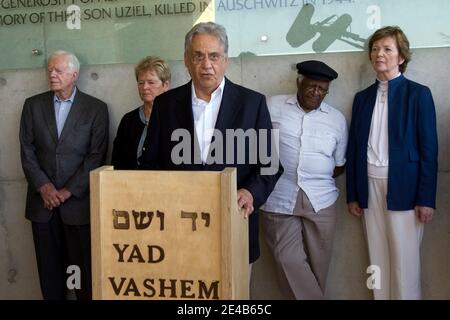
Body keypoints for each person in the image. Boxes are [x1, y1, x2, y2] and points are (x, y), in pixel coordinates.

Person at [140, 22, 282, 266]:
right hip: (178, 230)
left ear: (225, 59)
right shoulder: (165, 105)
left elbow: (270, 166)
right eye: (198, 56)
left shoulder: (253, 103)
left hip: (235, 226)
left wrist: (250, 192)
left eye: (214, 56)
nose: (207, 65)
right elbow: (149, 163)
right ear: (186, 60)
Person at [346, 26, 438, 300]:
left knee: (404, 260)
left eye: (387, 49)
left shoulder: (418, 94)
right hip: (368, 188)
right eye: (375, 49)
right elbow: (353, 150)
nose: (379, 54)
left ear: (401, 57)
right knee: (376, 258)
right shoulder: (362, 98)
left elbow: (429, 151)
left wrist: (426, 198)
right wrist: (353, 194)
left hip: (405, 189)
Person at [19, 50, 109, 300]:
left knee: (83, 280)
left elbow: (96, 155)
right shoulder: (32, 105)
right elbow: (27, 151)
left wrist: (68, 191)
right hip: (42, 206)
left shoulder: (95, 108)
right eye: (50, 70)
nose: (52, 74)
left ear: (74, 75)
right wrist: (44, 187)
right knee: (50, 279)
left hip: (78, 208)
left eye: (58, 70)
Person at [261, 60, 348, 299]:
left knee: (318, 268)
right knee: (288, 260)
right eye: (311, 86)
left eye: (322, 89)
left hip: (321, 199)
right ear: (299, 82)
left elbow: (339, 165)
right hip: (279, 195)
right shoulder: (273, 106)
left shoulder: (336, 119)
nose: (315, 92)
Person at [111, 56, 170, 169]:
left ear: (165, 85)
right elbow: (117, 161)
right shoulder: (128, 120)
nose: (145, 87)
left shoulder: (175, 118)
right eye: (141, 83)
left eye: (151, 82)